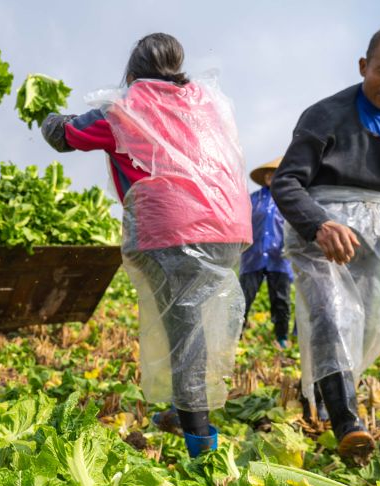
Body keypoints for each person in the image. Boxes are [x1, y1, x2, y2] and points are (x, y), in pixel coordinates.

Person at [41, 33, 251, 458]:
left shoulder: (127, 108)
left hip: (175, 229)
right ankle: (183, 407)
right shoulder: (206, 103)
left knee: (185, 329)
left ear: (133, 75)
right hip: (228, 225)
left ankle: (202, 447)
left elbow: (66, 137)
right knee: (195, 322)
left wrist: (48, 118)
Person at [271, 24, 380, 462]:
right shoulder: (324, 116)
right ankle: (347, 422)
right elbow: (286, 183)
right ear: (364, 66)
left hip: (376, 235)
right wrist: (320, 225)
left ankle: (325, 397)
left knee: (366, 320)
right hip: (320, 234)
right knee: (330, 313)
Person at [240, 157, 294, 348]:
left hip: (279, 258)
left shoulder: (290, 201)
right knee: (243, 298)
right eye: (268, 173)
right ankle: (235, 336)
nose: (271, 176)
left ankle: (281, 338)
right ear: (265, 177)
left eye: (276, 173)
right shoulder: (253, 199)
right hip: (253, 256)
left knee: (281, 301)